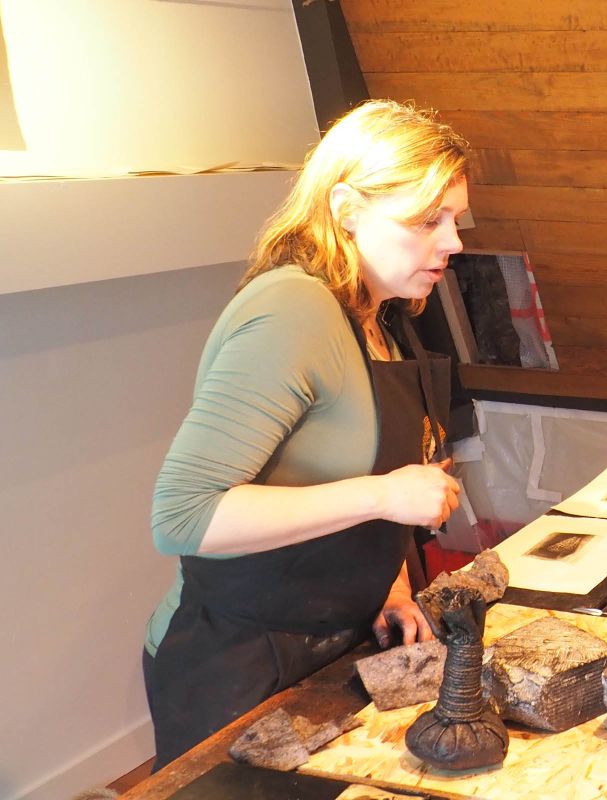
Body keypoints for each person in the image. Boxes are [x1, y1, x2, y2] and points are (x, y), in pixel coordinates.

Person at [142, 100, 470, 769]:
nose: (453, 241)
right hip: (239, 665)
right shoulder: (292, 311)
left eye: (454, 220)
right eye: (426, 220)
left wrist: (387, 584)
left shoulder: (379, 311)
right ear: (347, 207)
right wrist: (381, 496)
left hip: (331, 642)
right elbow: (182, 516)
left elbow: (319, 467)